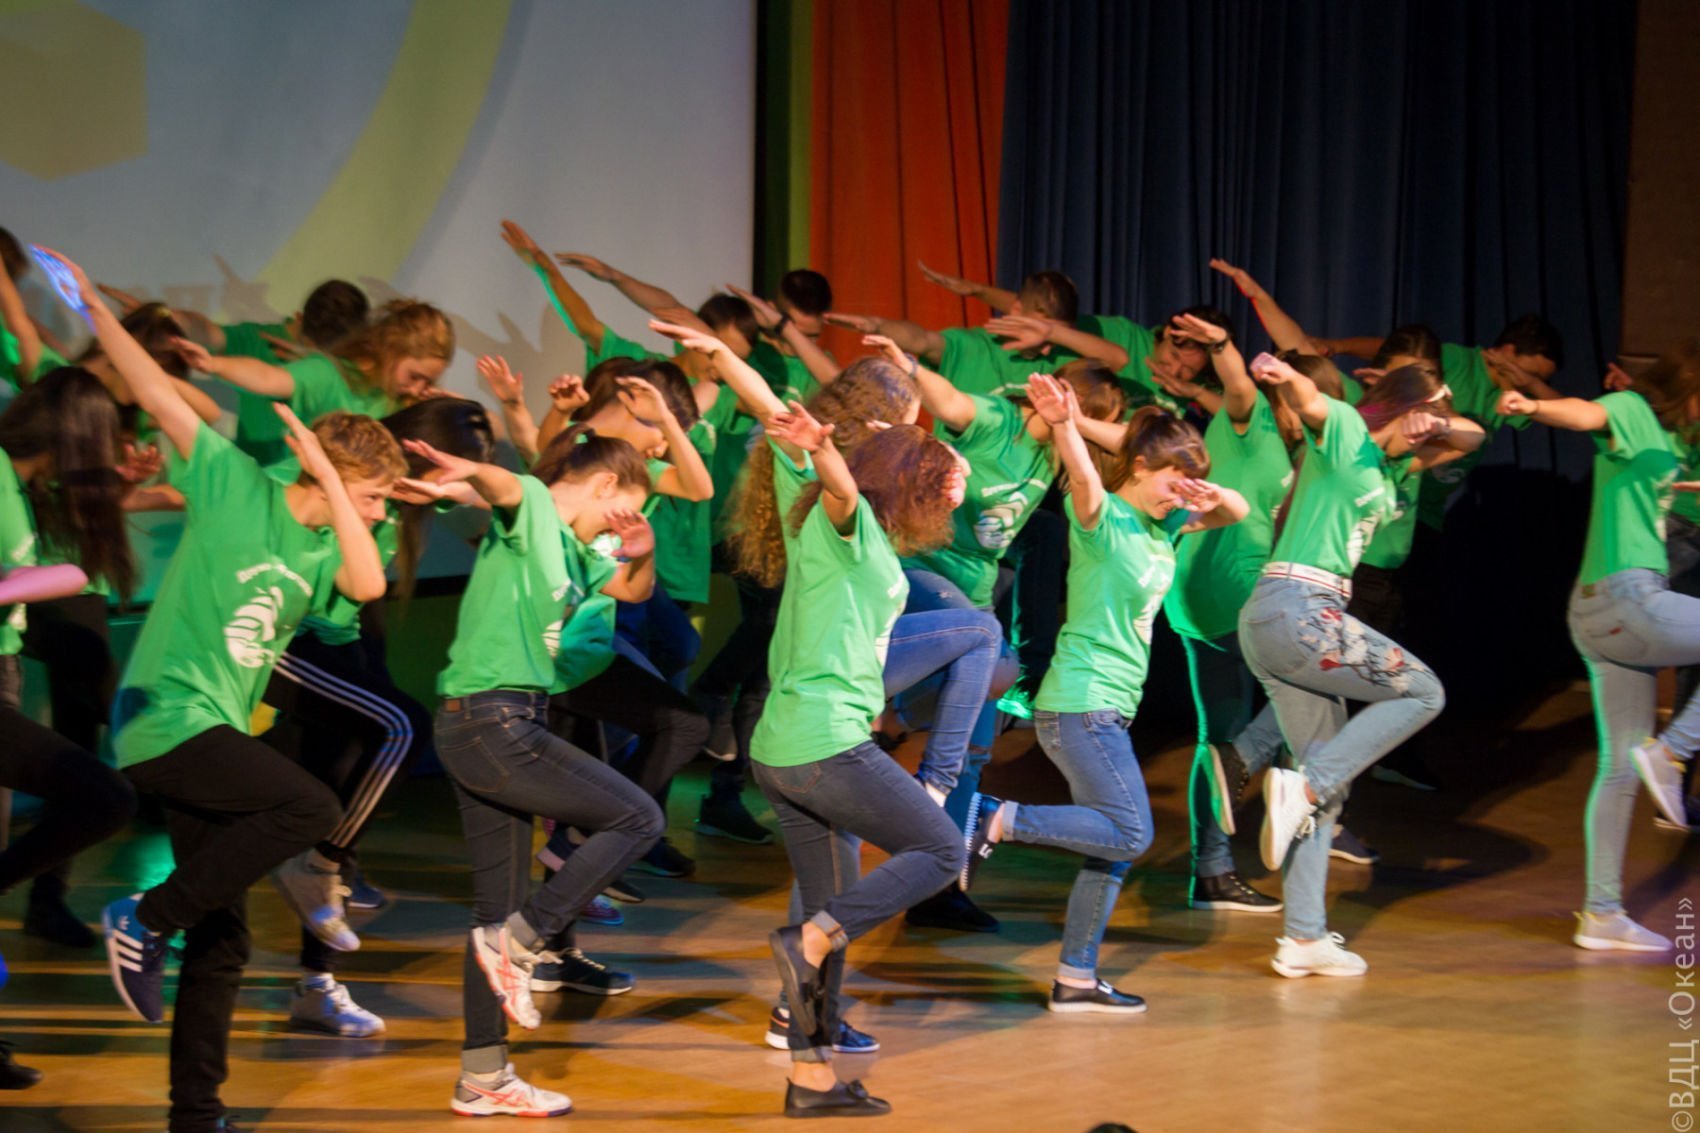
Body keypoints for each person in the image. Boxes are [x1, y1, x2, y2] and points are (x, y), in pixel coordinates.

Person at [39, 247, 395, 1133]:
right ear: (329, 477)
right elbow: (153, 392)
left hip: (214, 732)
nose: (382, 513)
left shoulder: (331, 548)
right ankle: (143, 914)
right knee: (310, 806)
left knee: (225, 936)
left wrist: (339, 488)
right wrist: (94, 306)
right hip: (165, 714)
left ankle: (195, 1113)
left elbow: (368, 585)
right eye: (376, 496)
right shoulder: (233, 481)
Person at [962, 376, 1248, 1012]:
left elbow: (1238, 512)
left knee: (1108, 846)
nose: (1181, 494)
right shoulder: (1103, 518)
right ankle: (996, 817)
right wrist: (1067, 424)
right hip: (1081, 703)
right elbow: (1086, 477)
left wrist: (1207, 492)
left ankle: (1076, 978)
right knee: (1131, 832)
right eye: (1174, 479)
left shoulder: (1163, 527)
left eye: (1189, 483)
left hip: (1109, 707)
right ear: (1139, 467)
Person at [406, 423, 664, 1118]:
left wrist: (642, 552)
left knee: (494, 911)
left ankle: (482, 1075)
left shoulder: (577, 547)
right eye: (623, 512)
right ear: (605, 485)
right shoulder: (533, 508)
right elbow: (502, 486)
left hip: (499, 720)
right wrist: (467, 469)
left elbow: (631, 590)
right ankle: (522, 943)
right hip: (490, 721)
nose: (617, 528)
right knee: (639, 817)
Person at [745, 408, 967, 1119]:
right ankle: (807, 939)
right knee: (941, 848)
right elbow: (842, 490)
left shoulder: (814, 522)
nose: (954, 495)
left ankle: (809, 1078)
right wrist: (825, 451)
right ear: (910, 485)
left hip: (783, 746)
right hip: (824, 742)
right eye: (945, 484)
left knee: (832, 916)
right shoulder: (849, 523)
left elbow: (825, 480)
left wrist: (808, 447)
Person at [1236, 353, 1481, 978]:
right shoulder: (1346, 431)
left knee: (1327, 788)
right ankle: (1301, 788)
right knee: (1423, 692)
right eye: (1429, 412)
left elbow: (1474, 437)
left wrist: (1437, 422)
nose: (1433, 428)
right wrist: (1282, 375)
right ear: (1404, 405)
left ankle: (1303, 938)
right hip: (1299, 609)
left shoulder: (1392, 465)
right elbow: (1310, 401)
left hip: (1284, 618)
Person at [261, 396, 497, 1037]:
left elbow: (506, 501)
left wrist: (464, 484)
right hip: (290, 644)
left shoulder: (401, 498)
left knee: (338, 796)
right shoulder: (317, 484)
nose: (457, 482)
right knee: (398, 728)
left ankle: (316, 983)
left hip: (345, 645)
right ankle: (314, 871)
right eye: (453, 467)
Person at [1496, 340, 1700, 951]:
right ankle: (1675, 750)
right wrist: (1533, 407)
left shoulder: (1672, 443)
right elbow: (1585, 414)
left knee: (1618, 766)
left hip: (1598, 613)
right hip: (1626, 597)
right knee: (1640, 759)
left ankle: (1602, 914)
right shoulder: (1632, 411)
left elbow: (1673, 489)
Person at [0, 369, 143, 1087]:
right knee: (104, 796)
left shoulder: (21, 484)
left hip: (4, 673)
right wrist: (36, 582)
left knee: (102, 797)